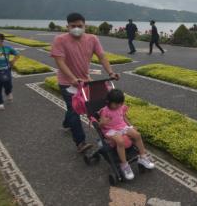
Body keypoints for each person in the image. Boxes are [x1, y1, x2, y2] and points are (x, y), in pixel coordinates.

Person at [51, 12, 120, 153]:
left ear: (85, 26)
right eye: (73, 26)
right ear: (67, 26)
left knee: (91, 107)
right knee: (75, 110)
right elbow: (60, 62)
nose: (76, 28)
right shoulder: (60, 40)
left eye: (79, 26)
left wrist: (111, 72)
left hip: (86, 81)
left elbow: (101, 56)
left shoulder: (92, 39)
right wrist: (72, 79)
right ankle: (80, 143)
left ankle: (66, 122)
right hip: (67, 82)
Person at [99, 89, 155, 180]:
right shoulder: (105, 111)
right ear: (109, 102)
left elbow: (124, 117)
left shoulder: (121, 107)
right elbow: (100, 124)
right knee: (120, 141)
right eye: (116, 104)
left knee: (137, 135)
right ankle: (124, 164)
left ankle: (143, 157)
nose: (118, 106)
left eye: (120, 103)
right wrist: (103, 122)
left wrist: (130, 126)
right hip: (110, 130)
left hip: (122, 126)